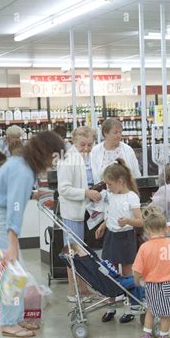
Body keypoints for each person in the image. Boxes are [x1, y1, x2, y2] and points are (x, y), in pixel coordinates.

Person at [0, 131, 65, 338]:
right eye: (53, 156)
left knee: (17, 274)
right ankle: (9, 323)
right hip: (0, 221)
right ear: (44, 153)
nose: (53, 162)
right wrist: (13, 244)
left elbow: (10, 192)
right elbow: (14, 209)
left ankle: (15, 318)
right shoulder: (24, 170)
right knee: (13, 275)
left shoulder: (20, 163)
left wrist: (32, 194)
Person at [95, 159, 143, 323]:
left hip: (126, 238)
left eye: (109, 184)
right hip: (111, 236)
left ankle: (130, 308)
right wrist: (103, 225)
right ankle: (111, 307)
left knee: (127, 273)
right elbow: (110, 214)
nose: (107, 187)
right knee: (110, 273)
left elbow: (140, 221)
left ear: (120, 181)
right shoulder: (109, 195)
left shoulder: (132, 197)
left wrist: (128, 221)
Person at [57, 126, 101, 302]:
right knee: (73, 252)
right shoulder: (68, 159)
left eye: (90, 145)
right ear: (74, 141)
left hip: (85, 211)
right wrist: (86, 193)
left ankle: (83, 289)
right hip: (72, 213)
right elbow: (64, 189)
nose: (86, 149)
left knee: (81, 252)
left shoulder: (87, 158)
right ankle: (73, 291)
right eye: (83, 144)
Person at [133, 205, 170, 338]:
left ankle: (146, 336)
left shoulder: (144, 247)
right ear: (165, 229)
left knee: (151, 309)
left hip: (151, 285)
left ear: (147, 230)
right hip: (169, 284)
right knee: (165, 314)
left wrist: (137, 280)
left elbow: (137, 269)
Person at [90, 118, 141, 184]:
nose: (119, 135)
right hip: (104, 192)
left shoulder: (128, 149)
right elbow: (95, 176)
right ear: (106, 133)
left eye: (120, 132)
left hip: (126, 191)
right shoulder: (96, 151)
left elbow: (136, 173)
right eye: (115, 132)